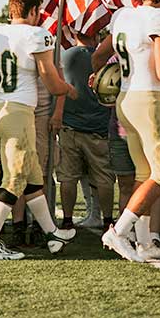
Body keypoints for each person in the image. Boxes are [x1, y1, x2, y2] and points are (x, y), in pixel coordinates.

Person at [0, 0, 77, 260]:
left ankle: (51, 233)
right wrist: (67, 88)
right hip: (18, 114)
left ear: (10, 9)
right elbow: (51, 81)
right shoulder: (36, 34)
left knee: (32, 178)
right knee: (16, 178)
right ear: (34, 11)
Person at [93, 0, 160, 262]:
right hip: (147, 98)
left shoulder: (124, 16)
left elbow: (99, 56)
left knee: (143, 174)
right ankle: (118, 231)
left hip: (124, 99)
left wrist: (100, 77)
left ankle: (144, 243)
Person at [54, 30, 115, 232]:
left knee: (67, 177)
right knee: (104, 178)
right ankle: (107, 220)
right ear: (96, 35)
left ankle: (67, 220)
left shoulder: (65, 56)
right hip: (99, 126)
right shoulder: (106, 58)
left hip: (70, 126)